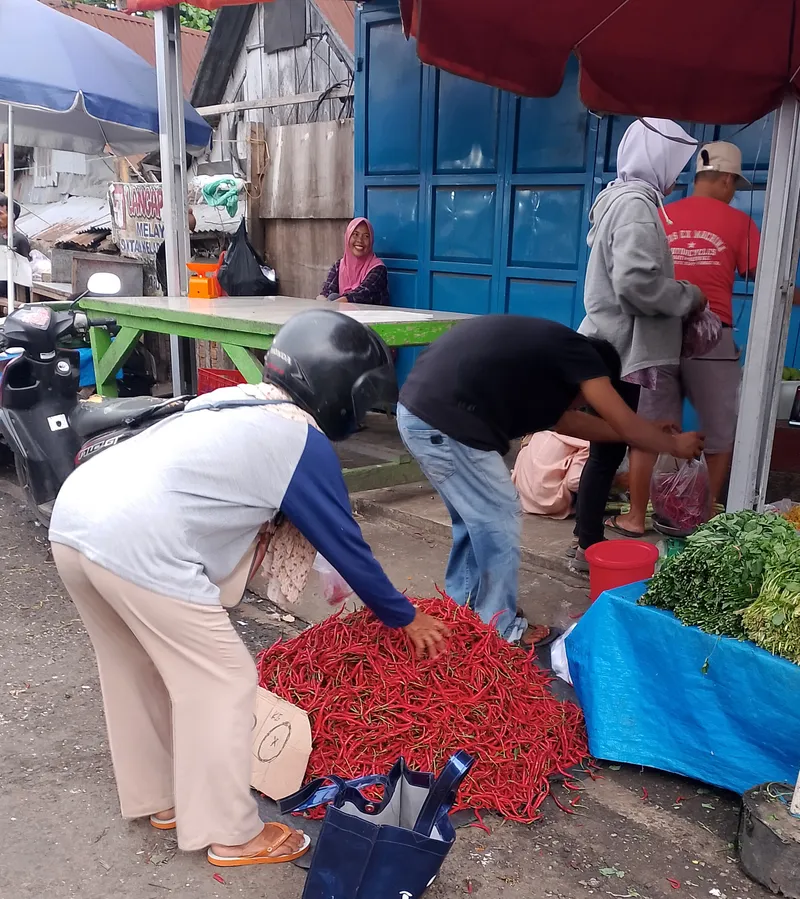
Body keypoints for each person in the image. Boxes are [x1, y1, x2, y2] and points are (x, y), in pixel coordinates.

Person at [48, 309, 449, 866]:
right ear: (341, 391)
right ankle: (231, 834)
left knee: (133, 665)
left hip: (74, 519)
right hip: (138, 541)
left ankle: (163, 797)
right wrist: (404, 615)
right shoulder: (297, 438)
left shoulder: (233, 403)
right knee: (223, 681)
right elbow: (344, 545)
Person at [396, 315, 704, 643]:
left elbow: (573, 424)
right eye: (590, 397)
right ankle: (501, 629)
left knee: (475, 523)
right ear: (597, 378)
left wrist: (647, 434)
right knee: (497, 517)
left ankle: (465, 611)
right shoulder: (581, 354)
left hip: (417, 413)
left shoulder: (544, 368)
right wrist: (673, 444)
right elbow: (622, 422)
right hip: (445, 421)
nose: (585, 404)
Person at [572, 118, 707, 570]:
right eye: (675, 162)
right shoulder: (634, 205)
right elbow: (636, 284)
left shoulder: (623, 199)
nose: (676, 173)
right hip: (614, 348)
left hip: (608, 343)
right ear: (658, 158)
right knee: (609, 449)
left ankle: (585, 544)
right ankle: (587, 548)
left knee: (606, 450)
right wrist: (689, 296)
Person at [610, 142, 759, 536]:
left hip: (657, 333)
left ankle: (636, 518)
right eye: (734, 184)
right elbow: (763, 273)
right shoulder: (740, 223)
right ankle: (703, 519)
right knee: (720, 431)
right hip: (713, 335)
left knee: (651, 430)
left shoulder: (659, 215)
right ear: (727, 179)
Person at [319, 217, 389, 305]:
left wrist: (331, 306)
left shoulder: (378, 268)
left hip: (369, 317)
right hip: (344, 314)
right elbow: (326, 292)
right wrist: (324, 301)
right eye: (355, 234)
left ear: (371, 241)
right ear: (348, 237)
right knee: (332, 297)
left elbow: (361, 295)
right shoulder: (339, 266)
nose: (360, 240)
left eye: (366, 236)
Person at [155, 206, 196, 295]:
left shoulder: (181, 241)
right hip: (166, 265)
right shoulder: (172, 242)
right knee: (169, 290)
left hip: (169, 266)